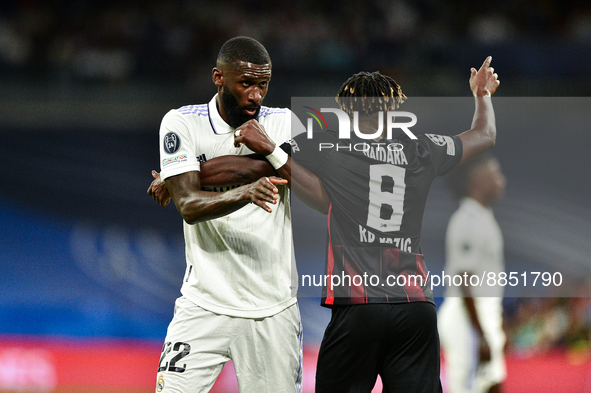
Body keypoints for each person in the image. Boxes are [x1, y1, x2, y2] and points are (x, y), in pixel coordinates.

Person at [230, 57, 500, 392]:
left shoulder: (326, 144)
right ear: (393, 108)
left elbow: (253, 166)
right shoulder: (422, 148)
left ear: (348, 109)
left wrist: (187, 175)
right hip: (415, 308)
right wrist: (482, 94)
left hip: (359, 308)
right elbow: (485, 135)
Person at [149, 36, 303, 393]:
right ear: (218, 77)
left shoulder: (284, 123)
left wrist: (183, 175)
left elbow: (313, 186)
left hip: (272, 309)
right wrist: (249, 187)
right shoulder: (182, 123)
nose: (256, 95)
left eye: (263, 84)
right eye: (246, 83)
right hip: (203, 305)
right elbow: (188, 206)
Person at [438, 154, 507, 393]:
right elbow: (463, 280)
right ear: (477, 178)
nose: (502, 181)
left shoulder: (483, 218)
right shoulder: (466, 221)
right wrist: (481, 334)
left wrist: (495, 325)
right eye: (496, 173)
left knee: (493, 385)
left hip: (481, 321)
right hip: (466, 322)